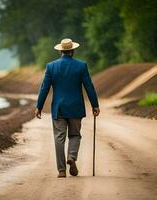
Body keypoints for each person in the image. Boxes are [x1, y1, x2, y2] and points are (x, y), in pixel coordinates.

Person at [35, 38, 100, 178]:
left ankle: (61, 170)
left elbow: (44, 88)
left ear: (61, 51)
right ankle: (72, 156)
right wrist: (95, 105)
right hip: (76, 108)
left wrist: (39, 106)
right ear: (73, 51)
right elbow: (89, 86)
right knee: (75, 135)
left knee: (59, 138)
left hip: (59, 109)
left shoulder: (51, 67)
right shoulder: (81, 66)